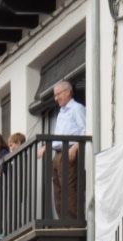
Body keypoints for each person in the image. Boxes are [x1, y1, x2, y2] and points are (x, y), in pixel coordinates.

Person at [41, 81, 86, 217]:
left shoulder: (77, 108)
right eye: (55, 95)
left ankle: (72, 222)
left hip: (69, 150)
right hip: (58, 153)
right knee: (58, 189)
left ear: (67, 92)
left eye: (58, 94)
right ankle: (63, 220)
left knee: (69, 187)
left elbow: (86, 129)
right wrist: (46, 147)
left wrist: (76, 146)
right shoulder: (61, 112)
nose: (56, 98)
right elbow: (59, 136)